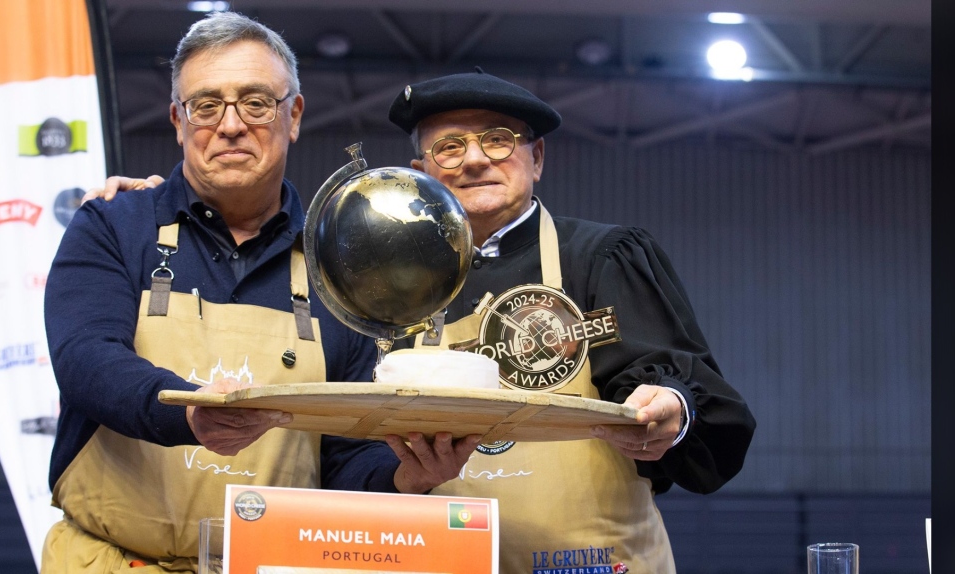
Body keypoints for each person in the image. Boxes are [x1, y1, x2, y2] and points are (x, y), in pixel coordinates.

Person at [89, 68, 757, 573]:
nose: (474, 159)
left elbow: (678, 384)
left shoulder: (600, 258)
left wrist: (669, 407)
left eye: (499, 140)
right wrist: (153, 204)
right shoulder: (375, 283)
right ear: (419, 173)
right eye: (449, 147)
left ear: (537, 159)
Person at [42, 13, 478, 571]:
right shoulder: (113, 225)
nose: (229, 125)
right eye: (205, 105)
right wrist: (190, 413)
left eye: (254, 102)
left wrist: (405, 475)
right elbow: (85, 360)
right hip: (111, 560)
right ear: (178, 120)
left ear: (292, 115)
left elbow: (340, 459)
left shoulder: (339, 266)